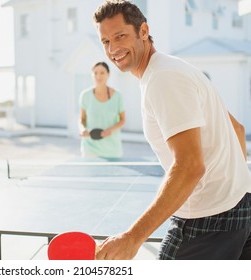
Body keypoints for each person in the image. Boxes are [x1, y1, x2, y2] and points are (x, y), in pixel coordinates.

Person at [93, 0, 251, 259]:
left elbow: (190, 166)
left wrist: (133, 238)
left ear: (143, 31)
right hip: (241, 209)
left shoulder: (162, 79)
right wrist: (233, 192)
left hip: (205, 220)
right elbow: (238, 129)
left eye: (120, 36)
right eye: (106, 41)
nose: (113, 48)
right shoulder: (175, 69)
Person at [79, 61, 126, 159]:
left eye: (102, 72)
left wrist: (110, 130)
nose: (98, 76)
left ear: (108, 74)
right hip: (90, 149)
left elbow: (122, 120)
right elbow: (82, 119)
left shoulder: (118, 96)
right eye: (95, 73)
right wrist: (82, 129)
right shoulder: (85, 96)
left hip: (112, 150)